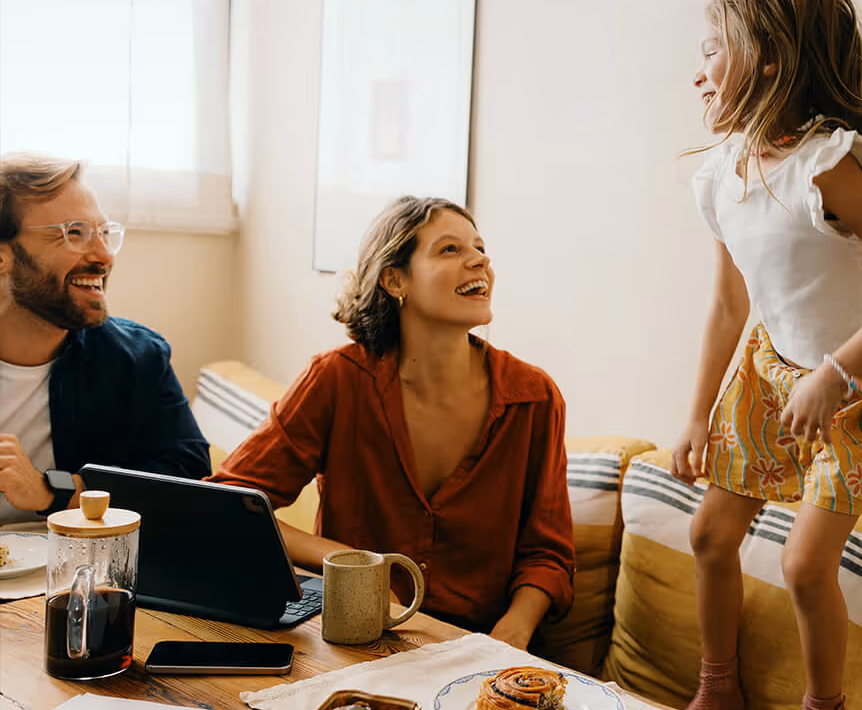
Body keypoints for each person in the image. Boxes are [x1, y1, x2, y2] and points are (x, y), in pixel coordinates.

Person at [672, 0, 862, 710]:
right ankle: (719, 685)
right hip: (767, 376)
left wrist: (839, 372)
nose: (698, 70)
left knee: (802, 563)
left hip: (856, 394)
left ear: (766, 60)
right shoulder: (720, 174)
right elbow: (730, 305)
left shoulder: (828, 167)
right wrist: (697, 414)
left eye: (713, 50)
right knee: (708, 533)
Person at [210, 196, 574, 649]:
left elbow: (548, 553)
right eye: (450, 249)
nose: (480, 259)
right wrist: (347, 560)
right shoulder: (336, 380)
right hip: (354, 640)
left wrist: (511, 635)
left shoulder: (534, 398)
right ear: (394, 279)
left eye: (480, 248)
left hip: (481, 653)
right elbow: (229, 508)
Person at [0, 153, 211, 522]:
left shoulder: (137, 358)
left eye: (103, 233)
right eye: (74, 233)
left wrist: (54, 490)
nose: (103, 255)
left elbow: (188, 476)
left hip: (78, 573)